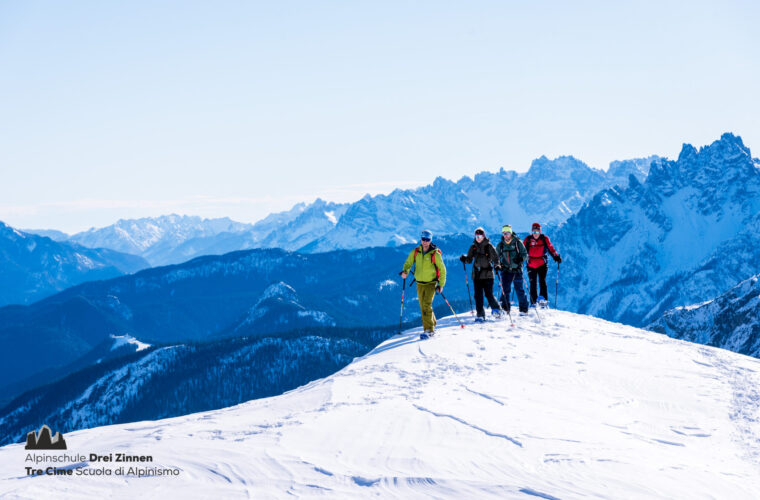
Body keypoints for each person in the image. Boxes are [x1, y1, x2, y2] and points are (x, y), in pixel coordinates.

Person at [401, 230, 447, 335]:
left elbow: (443, 269)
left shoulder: (435, 254)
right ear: (421, 239)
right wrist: (405, 271)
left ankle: (429, 330)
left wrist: (441, 285)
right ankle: (433, 323)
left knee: (426, 305)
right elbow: (408, 263)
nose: (425, 241)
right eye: (423, 239)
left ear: (430, 240)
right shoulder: (416, 252)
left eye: (427, 239)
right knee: (423, 306)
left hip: (431, 283)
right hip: (419, 283)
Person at [460, 227, 502, 322]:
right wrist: (464, 259)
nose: (478, 238)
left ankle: (496, 309)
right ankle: (480, 315)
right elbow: (469, 260)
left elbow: (496, 258)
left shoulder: (489, 246)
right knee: (478, 295)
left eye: (480, 236)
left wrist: (497, 265)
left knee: (488, 294)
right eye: (476, 236)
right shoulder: (473, 247)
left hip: (488, 275)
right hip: (477, 275)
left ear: (484, 236)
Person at [523, 222, 561, 306]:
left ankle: (543, 300)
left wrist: (556, 256)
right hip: (530, 264)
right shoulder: (528, 239)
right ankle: (533, 302)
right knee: (533, 283)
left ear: (540, 231)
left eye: (537, 232)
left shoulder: (544, 238)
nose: (535, 234)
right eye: (533, 232)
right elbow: (522, 251)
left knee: (542, 281)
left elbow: (551, 248)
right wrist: (518, 259)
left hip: (542, 264)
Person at [495, 225, 529, 315]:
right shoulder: (501, 245)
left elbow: (525, 255)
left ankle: (524, 309)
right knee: (505, 290)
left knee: (519, 290)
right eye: (504, 233)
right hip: (506, 270)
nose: (506, 235)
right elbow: (496, 257)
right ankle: (505, 309)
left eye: (507, 233)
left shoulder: (517, 243)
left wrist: (520, 259)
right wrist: (497, 265)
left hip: (517, 270)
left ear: (511, 233)